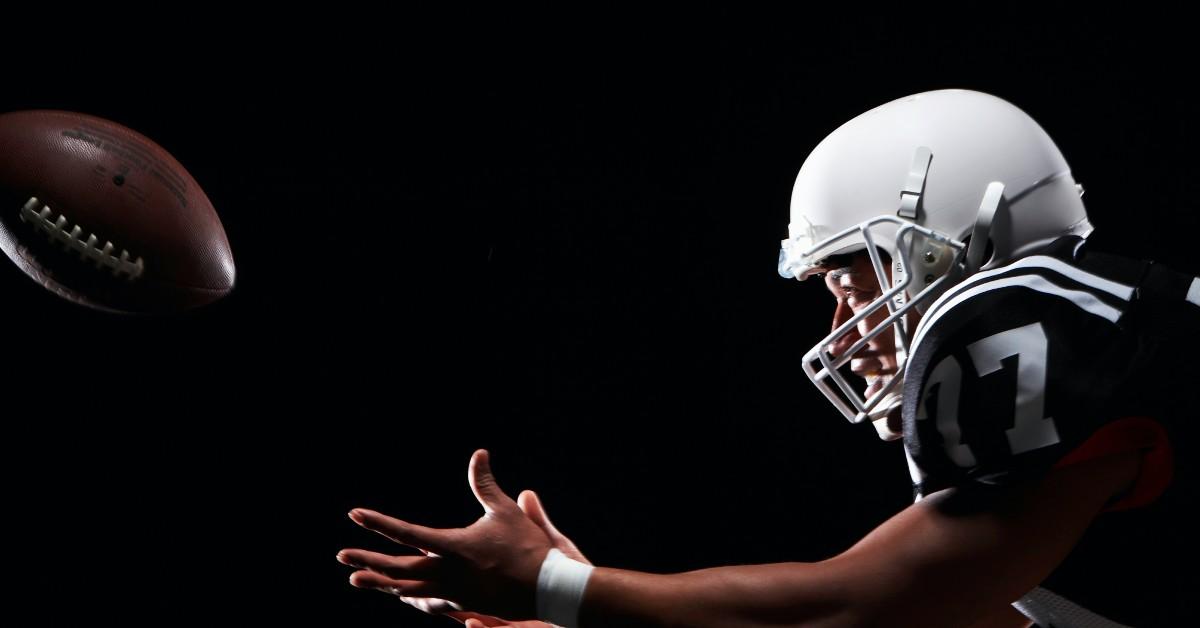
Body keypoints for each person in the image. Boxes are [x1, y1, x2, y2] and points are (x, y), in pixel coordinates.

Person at [337, 89, 1199, 627]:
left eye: (850, 275)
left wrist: (560, 587)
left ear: (944, 245)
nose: (840, 316)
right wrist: (583, 612)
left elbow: (853, 608)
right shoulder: (1100, 326)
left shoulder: (1028, 326)